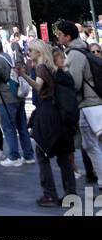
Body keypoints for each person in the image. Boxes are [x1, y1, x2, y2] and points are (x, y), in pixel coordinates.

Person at [25, 39, 79, 207]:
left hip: (48, 115)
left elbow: (38, 87)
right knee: (64, 157)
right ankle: (71, 195)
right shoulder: (57, 70)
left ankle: (49, 194)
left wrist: (23, 75)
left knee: (42, 154)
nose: (29, 53)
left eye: (31, 51)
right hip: (62, 115)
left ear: (39, 52)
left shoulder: (41, 67)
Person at [57, 20, 102, 183]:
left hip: (88, 105)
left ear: (67, 37)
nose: (58, 37)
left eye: (60, 34)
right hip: (94, 102)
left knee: (91, 146)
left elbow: (74, 83)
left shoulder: (75, 54)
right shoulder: (82, 49)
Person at [0, 36, 34, 166]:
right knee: (22, 127)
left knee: (8, 128)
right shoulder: (7, 56)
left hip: (6, 98)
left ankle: (14, 156)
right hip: (17, 96)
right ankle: (29, 155)